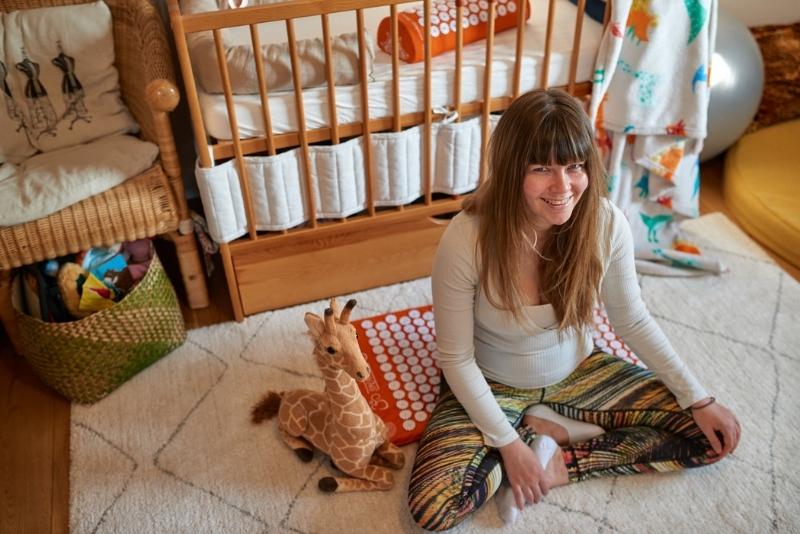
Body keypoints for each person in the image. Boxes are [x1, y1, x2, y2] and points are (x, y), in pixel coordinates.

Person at [406, 89, 740, 532]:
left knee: (710, 437)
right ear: (510, 171)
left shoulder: (605, 223)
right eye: (541, 168)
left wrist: (699, 397)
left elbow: (631, 319)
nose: (563, 187)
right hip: (491, 381)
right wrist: (508, 444)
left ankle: (557, 450)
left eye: (575, 166)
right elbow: (455, 358)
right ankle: (529, 438)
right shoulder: (467, 238)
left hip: (580, 370)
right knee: (433, 508)